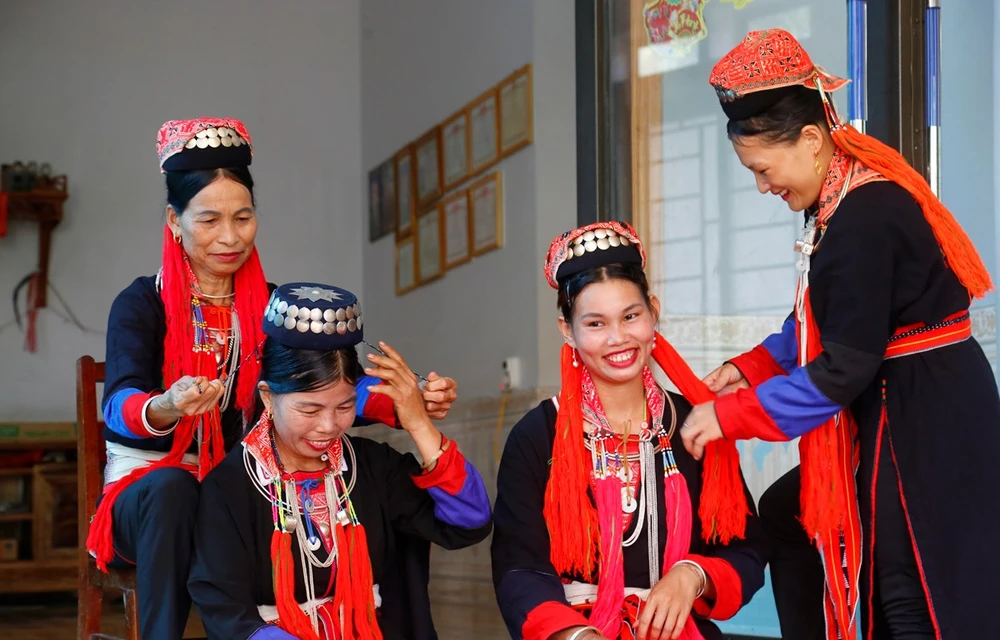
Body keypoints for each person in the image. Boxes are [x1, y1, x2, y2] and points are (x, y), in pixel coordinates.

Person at [680, 28, 1000, 640]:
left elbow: (843, 365)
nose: (763, 186)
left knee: (908, 587)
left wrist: (732, 415)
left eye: (763, 169)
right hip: (897, 398)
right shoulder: (836, 201)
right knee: (788, 516)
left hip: (921, 414)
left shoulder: (863, 214)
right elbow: (820, 320)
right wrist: (750, 368)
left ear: (809, 139)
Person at [89, 119, 459, 639]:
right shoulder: (141, 303)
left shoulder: (274, 304)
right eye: (209, 219)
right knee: (176, 490)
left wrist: (406, 402)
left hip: (243, 488)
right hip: (149, 496)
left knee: (360, 490)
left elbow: (316, 386)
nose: (230, 236)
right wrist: (167, 405)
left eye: (243, 217)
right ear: (174, 220)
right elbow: (119, 404)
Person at [491, 221, 768, 640]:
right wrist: (576, 635)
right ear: (567, 329)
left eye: (631, 316)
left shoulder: (696, 422)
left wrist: (692, 575)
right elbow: (518, 567)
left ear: (653, 311)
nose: (618, 338)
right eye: (596, 324)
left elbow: (744, 547)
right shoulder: (537, 437)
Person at [187, 282, 492, 640]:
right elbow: (225, 612)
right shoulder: (230, 486)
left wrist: (418, 423)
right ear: (268, 397)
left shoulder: (373, 467)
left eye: (345, 406)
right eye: (310, 408)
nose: (329, 426)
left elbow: (468, 523)